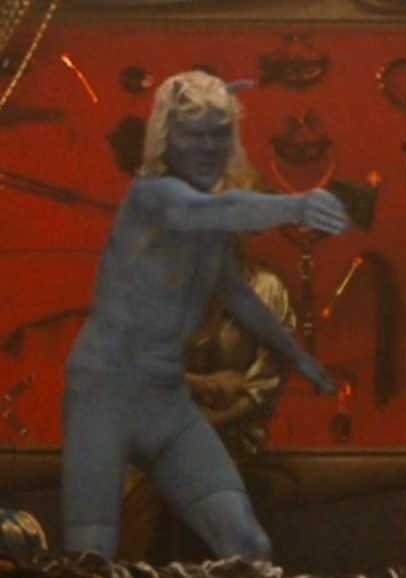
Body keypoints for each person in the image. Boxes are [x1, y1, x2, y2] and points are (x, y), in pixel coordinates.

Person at [61, 70, 350, 563]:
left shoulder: (207, 218)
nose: (208, 148)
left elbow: (236, 293)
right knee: (91, 559)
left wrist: (296, 355)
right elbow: (223, 208)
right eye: (194, 135)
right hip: (102, 396)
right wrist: (297, 204)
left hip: (166, 402)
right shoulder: (153, 195)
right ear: (166, 137)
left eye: (219, 134)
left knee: (248, 545)